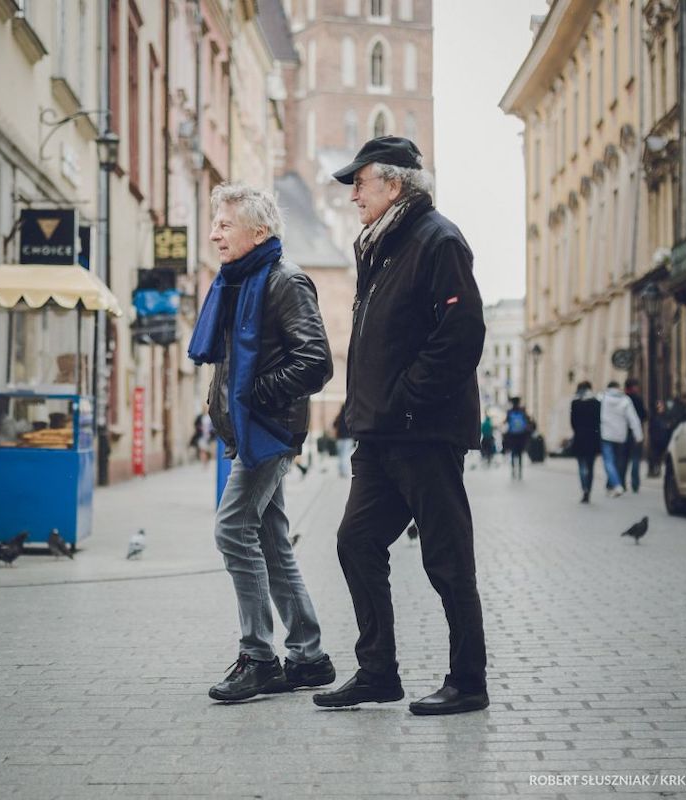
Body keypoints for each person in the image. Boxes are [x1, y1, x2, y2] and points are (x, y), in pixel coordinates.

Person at [314, 136, 489, 715]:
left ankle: (467, 682)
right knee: (356, 542)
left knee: (445, 558)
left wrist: (409, 399)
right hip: (381, 434)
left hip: (423, 432)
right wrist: (356, 409)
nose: (353, 196)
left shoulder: (437, 239)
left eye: (359, 183)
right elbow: (377, 342)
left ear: (393, 185)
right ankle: (377, 672)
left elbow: (461, 335)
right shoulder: (380, 247)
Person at [187, 181, 335, 702]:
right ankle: (309, 656)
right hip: (247, 432)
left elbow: (316, 361)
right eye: (215, 223)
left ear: (260, 230)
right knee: (269, 539)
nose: (213, 234)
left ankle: (258, 656)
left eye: (224, 225)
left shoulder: (283, 281)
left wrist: (256, 396)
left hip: (268, 431)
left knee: (232, 530)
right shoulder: (236, 281)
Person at [599, 380, 643, 497]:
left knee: (609, 462)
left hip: (606, 435)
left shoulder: (603, 398)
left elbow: (597, 416)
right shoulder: (625, 400)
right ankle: (615, 484)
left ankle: (617, 484)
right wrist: (638, 435)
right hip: (620, 435)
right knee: (618, 462)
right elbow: (633, 419)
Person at [569, 381, 602, 503]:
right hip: (593, 438)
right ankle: (589, 489)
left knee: (582, 465)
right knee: (590, 466)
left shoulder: (575, 403)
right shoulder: (596, 403)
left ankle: (584, 489)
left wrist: (578, 430)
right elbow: (599, 421)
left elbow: (572, 422)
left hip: (580, 438)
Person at [618, 377, 648, 492]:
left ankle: (621, 482)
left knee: (623, 459)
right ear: (633, 387)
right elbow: (644, 415)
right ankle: (635, 484)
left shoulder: (622, 399)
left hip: (622, 432)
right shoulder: (636, 399)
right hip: (635, 432)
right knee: (635, 459)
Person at [502, 397, 531, 480]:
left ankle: (513, 471)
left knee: (513, 454)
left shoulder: (510, 412)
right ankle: (520, 472)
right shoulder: (522, 411)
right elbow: (528, 421)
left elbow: (505, 422)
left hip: (512, 436)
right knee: (520, 454)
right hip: (521, 436)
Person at [334, 399, 354, 477]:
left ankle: (341, 470)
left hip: (339, 438)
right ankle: (344, 471)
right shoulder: (349, 418)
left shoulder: (339, 417)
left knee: (341, 455)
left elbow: (334, 425)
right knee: (345, 455)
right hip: (347, 438)